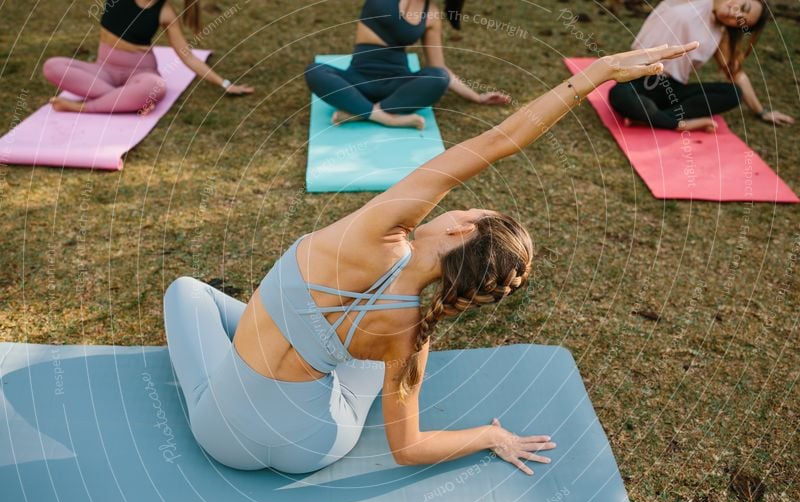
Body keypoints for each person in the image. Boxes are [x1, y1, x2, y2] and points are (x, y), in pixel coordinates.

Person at [164, 42, 699, 475]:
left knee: (186, 291)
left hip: (223, 439)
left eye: (466, 207)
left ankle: (289, 346)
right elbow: (409, 448)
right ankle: (316, 349)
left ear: (462, 226)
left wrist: (596, 73)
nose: (456, 205)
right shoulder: (411, 334)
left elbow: (500, 140)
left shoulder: (374, 231)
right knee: (358, 354)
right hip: (315, 449)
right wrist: (491, 435)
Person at [303, 0, 511, 130]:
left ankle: (360, 111)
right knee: (315, 71)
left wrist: (476, 97)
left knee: (438, 77)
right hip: (358, 78)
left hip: (397, 85)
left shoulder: (431, 13)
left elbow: (440, 67)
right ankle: (387, 118)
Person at [608, 0, 794, 132]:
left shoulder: (719, 34)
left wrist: (762, 112)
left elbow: (736, 73)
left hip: (671, 89)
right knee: (618, 94)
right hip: (636, 78)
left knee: (733, 93)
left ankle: (653, 116)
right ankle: (675, 122)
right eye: (743, 7)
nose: (736, 15)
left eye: (740, 22)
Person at [43, 0, 253, 114]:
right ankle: (124, 99)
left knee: (156, 88)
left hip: (141, 73)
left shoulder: (165, 11)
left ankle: (83, 107)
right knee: (52, 66)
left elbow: (186, 56)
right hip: (103, 70)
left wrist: (225, 83)